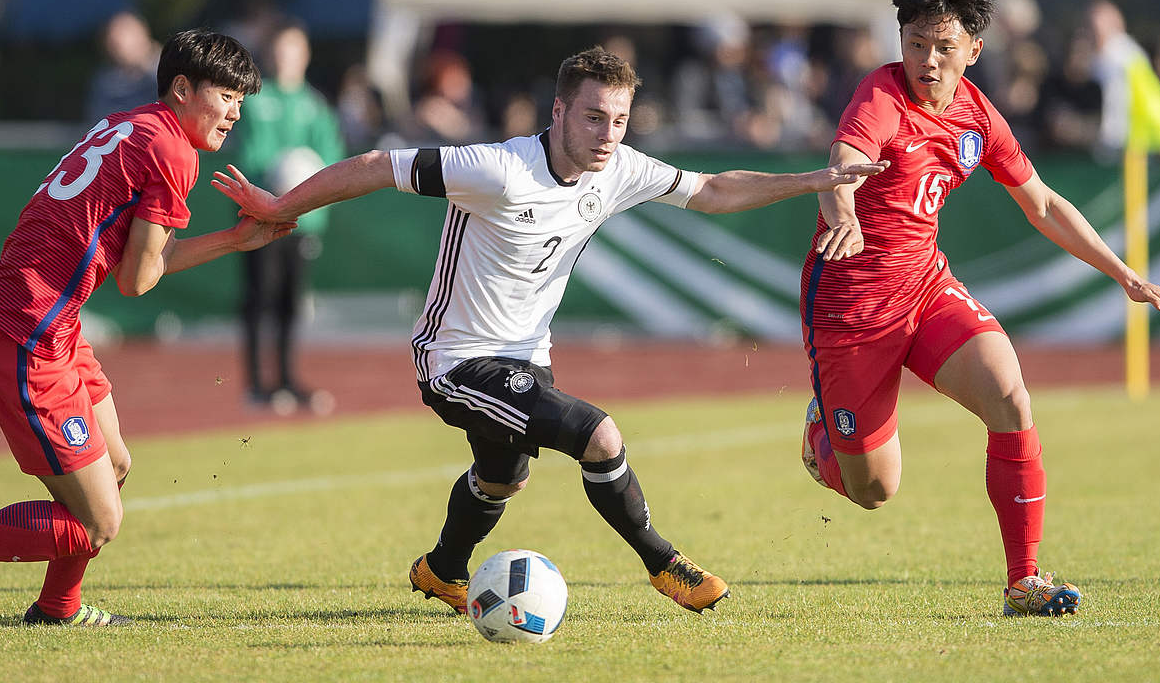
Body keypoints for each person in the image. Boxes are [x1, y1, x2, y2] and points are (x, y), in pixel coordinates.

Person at [213, 46, 886, 615]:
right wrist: (281, 207)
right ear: (559, 111)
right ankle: (664, 564)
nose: (607, 133)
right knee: (599, 435)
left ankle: (444, 571)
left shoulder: (618, 167)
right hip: (455, 361)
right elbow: (375, 166)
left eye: (619, 120)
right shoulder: (498, 169)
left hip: (527, 358)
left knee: (501, 478)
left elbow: (711, 190)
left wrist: (815, 179)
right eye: (593, 116)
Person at [797, 0, 1160, 617]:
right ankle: (823, 436)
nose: (927, 60)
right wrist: (841, 210)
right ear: (900, 40)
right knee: (874, 490)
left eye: (943, 47)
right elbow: (841, 165)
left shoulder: (977, 115)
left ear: (974, 50)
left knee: (1010, 394)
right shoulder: (879, 97)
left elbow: (1041, 203)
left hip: (925, 289)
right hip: (851, 309)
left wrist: (1125, 274)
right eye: (916, 43)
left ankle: (1024, 582)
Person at [0, 28, 293, 629]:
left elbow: (119, 261)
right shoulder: (174, 151)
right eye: (227, 96)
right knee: (98, 522)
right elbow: (137, 281)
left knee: (114, 464)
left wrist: (236, 238)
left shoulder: (133, 122)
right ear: (182, 87)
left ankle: (57, 606)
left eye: (242, 100)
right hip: (25, 338)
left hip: (43, 326)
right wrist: (235, 240)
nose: (235, 112)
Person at [233, 23, 344, 413]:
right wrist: (268, 194)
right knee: (259, 296)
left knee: (290, 302)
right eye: (280, 50)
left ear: (305, 56)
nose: (286, 58)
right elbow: (250, 157)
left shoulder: (315, 105)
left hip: (302, 220)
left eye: (294, 50)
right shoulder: (256, 102)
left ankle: (285, 378)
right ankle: (255, 384)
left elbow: (329, 161)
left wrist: (310, 205)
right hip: (260, 214)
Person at [84, 12, 160, 124]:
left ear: (142, 36)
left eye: (122, 39)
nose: (115, 47)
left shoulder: (171, 71)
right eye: (112, 43)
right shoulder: (105, 82)